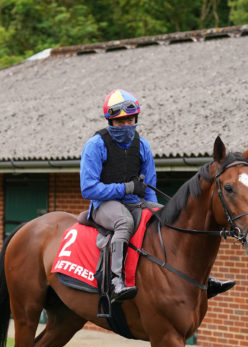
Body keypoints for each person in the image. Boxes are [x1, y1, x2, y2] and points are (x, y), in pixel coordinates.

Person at [80, 89, 235, 302]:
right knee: (124, 222)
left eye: (130, 120)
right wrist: (125, 188)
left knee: (169, 219)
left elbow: (150, 186)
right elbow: (88, 188)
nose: (126, 126)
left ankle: (204, 279)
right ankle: (116, 281)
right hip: (104, 205)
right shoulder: (95, 146)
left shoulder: (142, 145)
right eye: (120, 121)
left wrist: (154, 207)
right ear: (110, 121)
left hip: (136, 203)